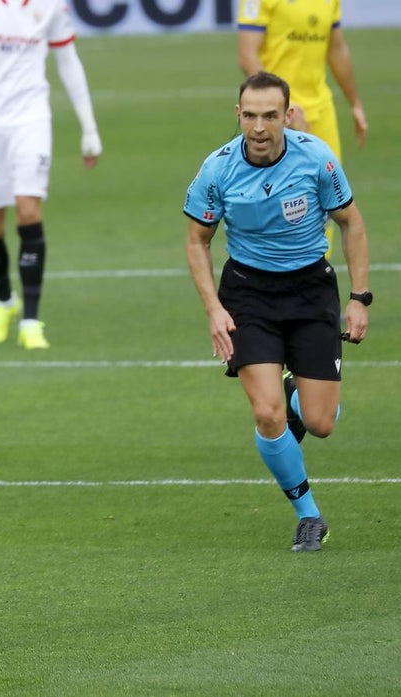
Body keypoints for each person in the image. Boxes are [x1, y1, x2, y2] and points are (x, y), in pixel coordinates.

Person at [183, 72, 370, 552]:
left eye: (270, 115)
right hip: (249, 295)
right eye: (250, 115)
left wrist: (359, 297)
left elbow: (351, 223)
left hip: (311, 292)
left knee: (321, 422)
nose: (260, 127)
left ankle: (297, 396)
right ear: (238, 115)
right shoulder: (217, 169)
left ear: (287, 115)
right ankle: (309, 514)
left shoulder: (316, 158)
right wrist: (214, 309)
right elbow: (197, 241)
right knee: (266, 415)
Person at [0, 0, 102, 349]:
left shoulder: (52, 6)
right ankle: (5, 302)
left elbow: (68, 61)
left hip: (31, 119)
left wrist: (89, 128)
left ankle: (31, 320)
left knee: (29, 210)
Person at [237, 0, 368, 256]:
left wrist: (355, 103)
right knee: (279, 203)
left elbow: (337, 48)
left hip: (321, 112)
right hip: (275, 117)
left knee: (329, 202)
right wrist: (282, 107)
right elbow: (247, 54)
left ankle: (318, 276)